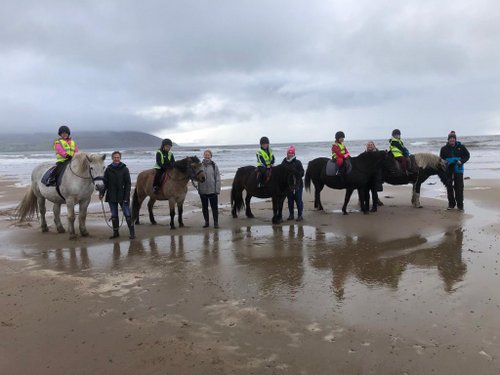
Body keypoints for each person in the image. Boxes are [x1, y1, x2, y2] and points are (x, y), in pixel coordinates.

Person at [100, 151, 135, 239]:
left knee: (127, 214)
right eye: (115, 157)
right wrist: (102, 193)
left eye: (118, 157)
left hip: (123, 195)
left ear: (120, 158)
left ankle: (132, 233)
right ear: (112, 158)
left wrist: (126, 197)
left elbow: (128, 184)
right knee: (114, 215)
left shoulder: (125, 169)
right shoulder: (108, 169)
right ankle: (116, 233)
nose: (116, 159)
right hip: (111, 195)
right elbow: (105, 183)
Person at [439, 131, 470, 211]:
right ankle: (451, 204)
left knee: (459, 187)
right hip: (448, 170)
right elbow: (441, 159)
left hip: (458, 169)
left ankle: (460, 205)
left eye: (453, 138)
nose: (452, 139)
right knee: (449, 187)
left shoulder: (461, 147)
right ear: (448, 140)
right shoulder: (443, 149)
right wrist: (444, 164)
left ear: (455, 139)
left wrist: (461, 161)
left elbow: (467, 155)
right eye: (450, 138)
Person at [197, 149, 221, 228]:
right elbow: (197, 177)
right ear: (203, 155)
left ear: (211, 156)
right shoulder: (200, 166)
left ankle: (216, 223)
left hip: (212, 190)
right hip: (203, 190)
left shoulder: (214, 166)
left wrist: (217, 189)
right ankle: (206, 222)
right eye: (205, 154)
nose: (207, 156)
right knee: (204, 208)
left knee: (214, 208)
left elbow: (218, 178)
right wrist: (198, 189)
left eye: (208, 154)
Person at [281, 145, 304, 221]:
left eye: (292, 153)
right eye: (289, 153)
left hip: (298, 185)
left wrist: (296, 173)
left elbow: (302, 173)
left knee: (298, 200)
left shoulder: (298, 162)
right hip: (288, 186)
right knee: (290, 200)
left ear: (294, 154)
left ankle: (300, 215)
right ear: (287, 154)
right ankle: (291, 215)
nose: (290, 154)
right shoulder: (284, 162)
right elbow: (281, 173)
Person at [365, 140, 384, 210]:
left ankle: (374, 207)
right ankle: (366, 206)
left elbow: (380, 165)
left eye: (371, 145)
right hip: (367, 176)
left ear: (374, 146)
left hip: (375, 176)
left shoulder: (377, 154)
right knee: (366, 192)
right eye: (368, 145)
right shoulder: (364, 154)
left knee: (374, 192)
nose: (369, 146)